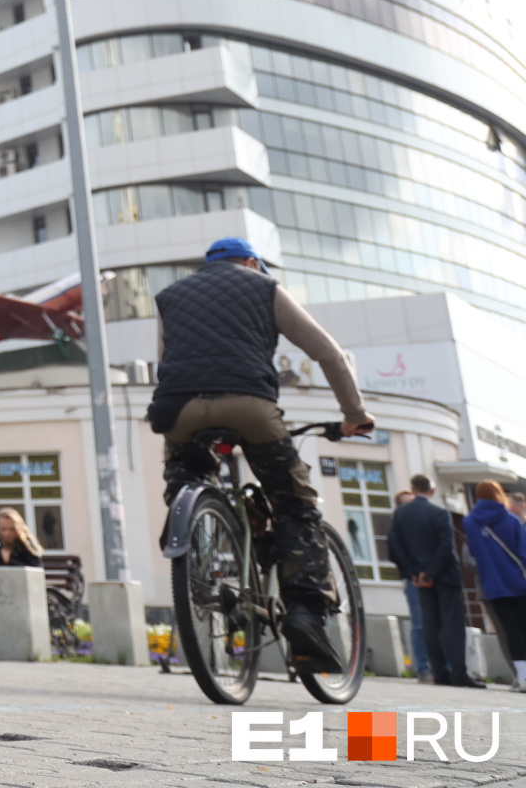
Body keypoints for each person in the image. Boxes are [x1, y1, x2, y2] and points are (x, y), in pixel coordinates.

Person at [150, 237, 372, 673]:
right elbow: (328, 353)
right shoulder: (264, 287)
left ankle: (195, 529)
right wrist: (353, 414)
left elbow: (164, 363)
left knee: (186, 472)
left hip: (178, 409)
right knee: (296, 504)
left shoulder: (170, 296)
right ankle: (306, 615)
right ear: (252, 262)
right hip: (249, 405)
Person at [388, 474, 481, 686]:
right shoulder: (438, 513)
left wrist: (415, 572)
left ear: (412, 488)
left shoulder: (400, 514)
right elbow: (445, 547)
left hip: (419, 578)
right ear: (432, 490)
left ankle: (439, 673)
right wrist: (430, 572)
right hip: (444, 575)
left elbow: (395, 548)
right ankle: (458, 672)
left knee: (429, 624)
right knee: (452, 624)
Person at [462, 479, 526, 693]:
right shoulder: (512, 520)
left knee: (510, 631)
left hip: (494, 585)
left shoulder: (470, 522)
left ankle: (523, 677)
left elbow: (472, 555)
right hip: (520, 583)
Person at [395, 490, 435, 679]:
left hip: (433, 576)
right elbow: (395, 551)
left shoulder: (425, 524)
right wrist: (412, 573)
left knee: (437, 623)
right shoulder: (399, 526)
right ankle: (423, 668)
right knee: (419, 624)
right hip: (413, 579)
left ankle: (441, 666)